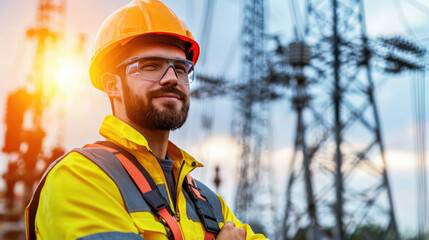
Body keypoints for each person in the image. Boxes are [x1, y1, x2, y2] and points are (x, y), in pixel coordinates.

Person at [25, 0, 267, 239]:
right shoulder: (79, 179)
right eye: (150, 66)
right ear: (112, 85)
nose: (171, 78)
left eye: (181, 68)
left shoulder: (210, 203)